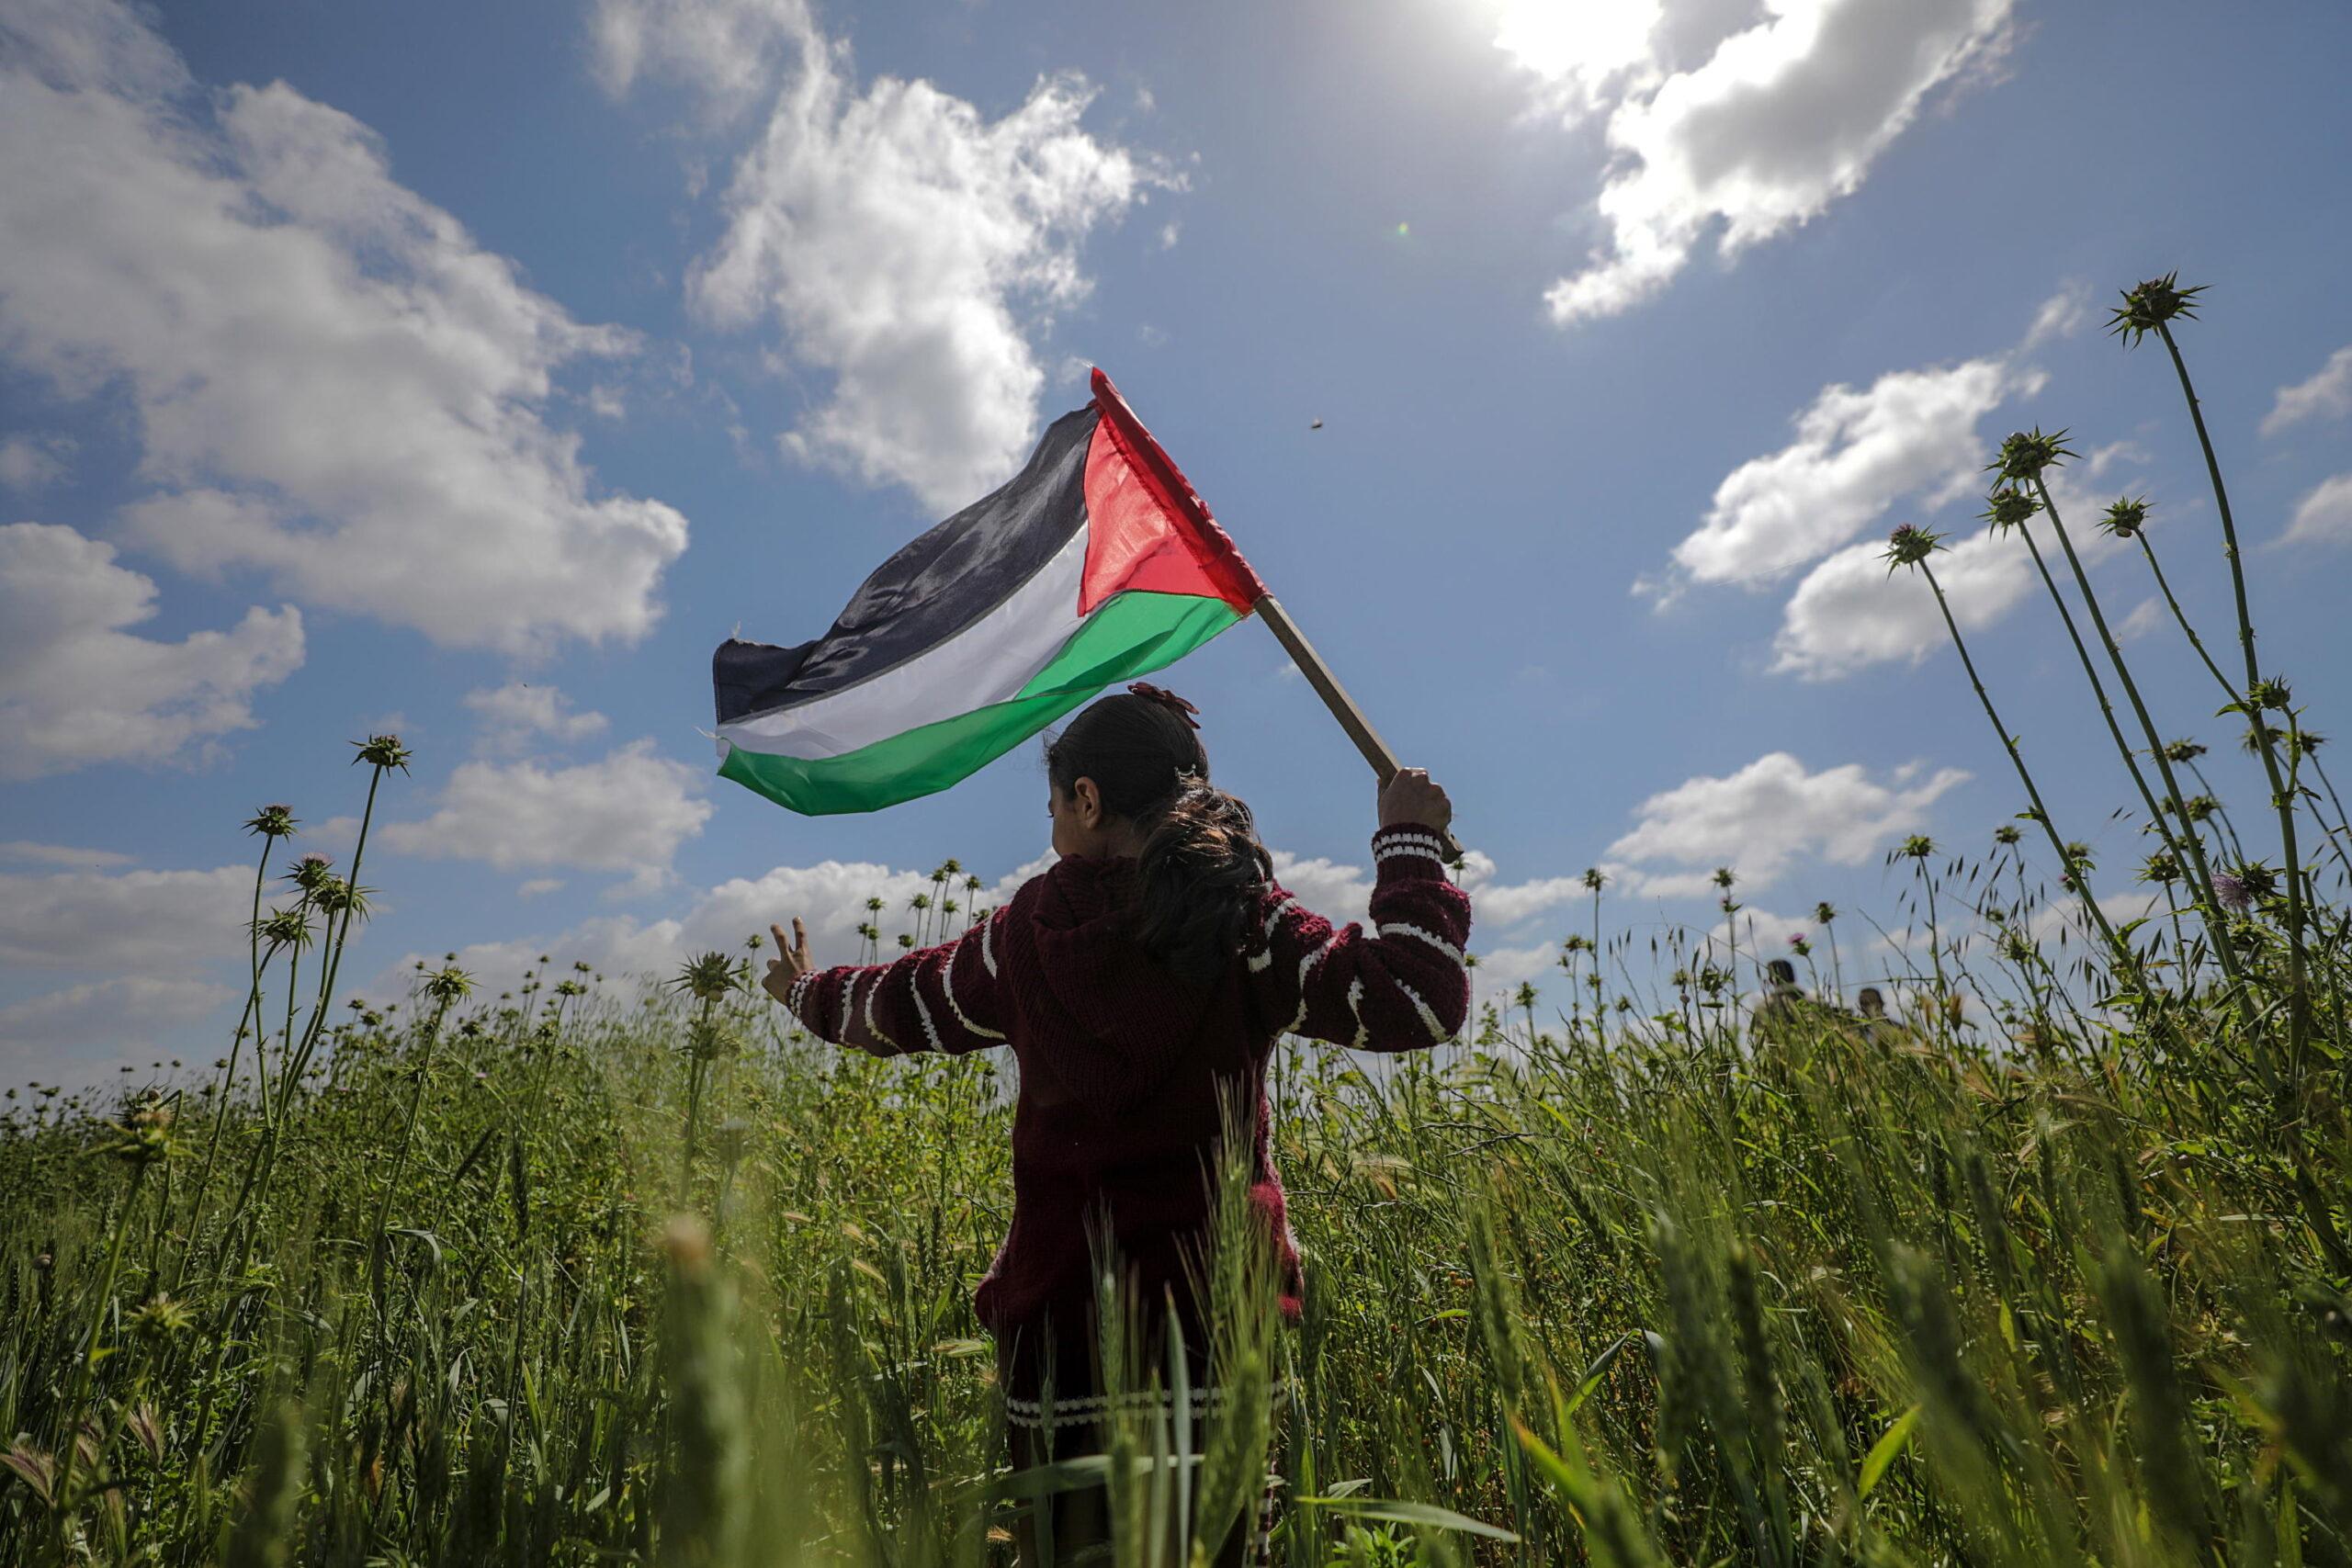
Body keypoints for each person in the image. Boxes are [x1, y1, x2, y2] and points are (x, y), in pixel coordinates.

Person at [759, 682, 1471, 1564]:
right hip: (1214, 1330)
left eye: (1056, 798)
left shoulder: (1022, 938)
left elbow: (900, 1003)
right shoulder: (1245, 921)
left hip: (1060, 1332)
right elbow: (1416, 999)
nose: (1053, 816)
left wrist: (803, 991)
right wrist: (1410, 847)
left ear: (1087, 799)